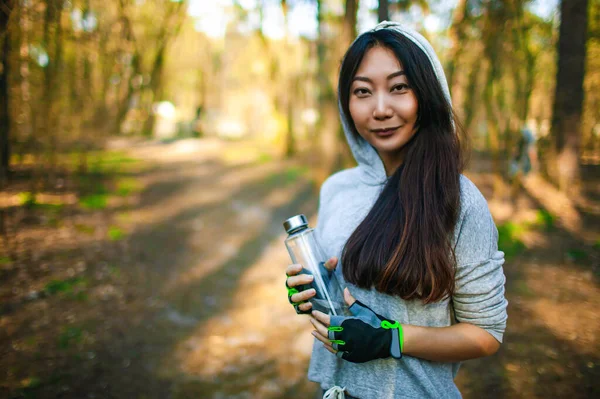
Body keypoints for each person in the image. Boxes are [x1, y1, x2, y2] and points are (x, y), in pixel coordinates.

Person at [284, 21, 508, 399]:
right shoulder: (337, 188)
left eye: (399, 87)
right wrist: (311, 292)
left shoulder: (458, 199)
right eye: (363, 92)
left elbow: (486, 335)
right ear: (346, 102)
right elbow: (338, 299)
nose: (381, 109)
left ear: (427, 93)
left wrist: (392, 339)